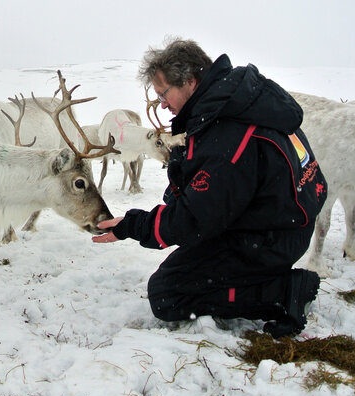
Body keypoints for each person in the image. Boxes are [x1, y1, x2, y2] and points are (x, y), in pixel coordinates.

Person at [93, 38, 328, 338]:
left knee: (168, 294)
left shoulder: (230, 133)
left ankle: (282, 292)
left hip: (272, 236)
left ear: (190, 82)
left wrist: (134, 225)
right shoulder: (244, 104)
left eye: (163, 94)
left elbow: (193, 220)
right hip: (279, 221)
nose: (162, 104)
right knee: (190, 259)